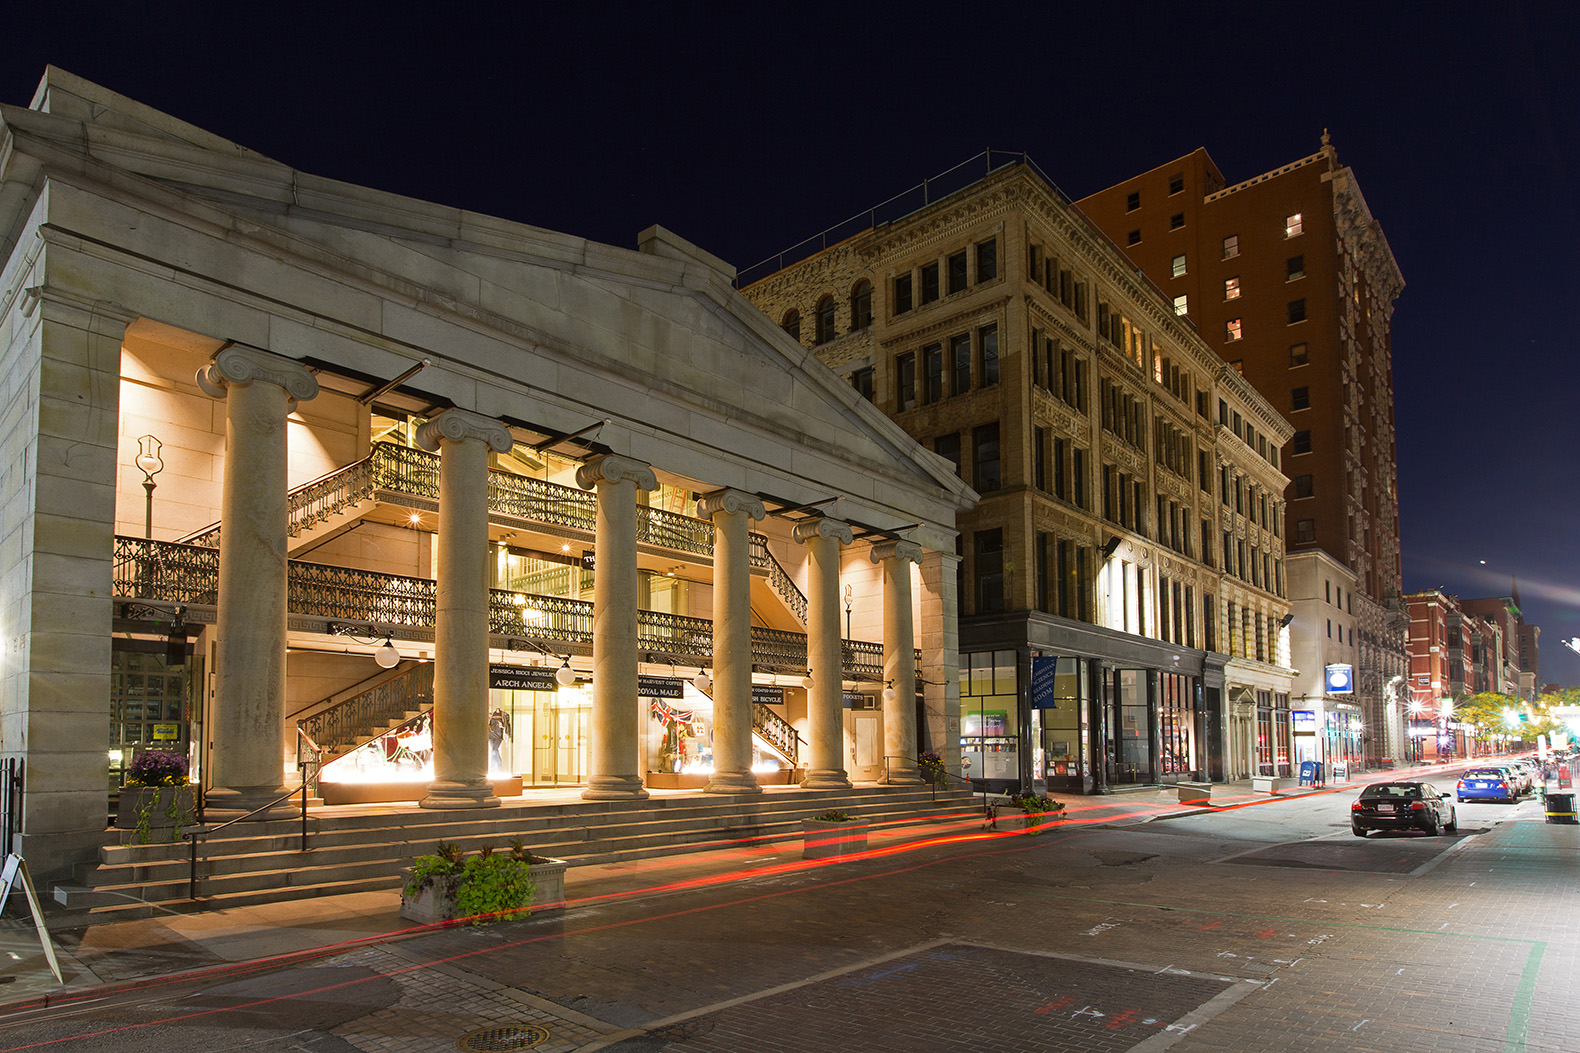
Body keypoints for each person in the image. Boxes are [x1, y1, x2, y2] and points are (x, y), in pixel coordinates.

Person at [488, 708, 512, 772]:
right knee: (494, 751)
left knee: (494, 750)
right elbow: (489, 724)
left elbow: (507, 726)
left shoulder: (504, 715)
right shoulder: (491, 715)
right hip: (491, 735)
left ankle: (496, 767)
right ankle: (497, 768)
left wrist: (502, 726)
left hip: (499, 736)